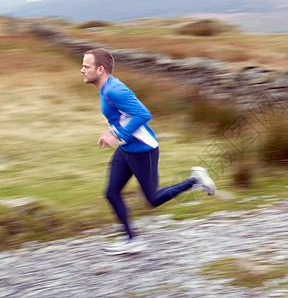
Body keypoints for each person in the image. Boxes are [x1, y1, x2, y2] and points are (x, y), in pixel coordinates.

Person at [81, 48, 216, 254]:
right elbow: (124, 116)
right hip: (127, 149)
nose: (81, 70)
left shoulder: (114, 90)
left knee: (152, 199)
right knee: (111, 192)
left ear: (100, 70)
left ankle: (195, 180)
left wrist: (116, 136)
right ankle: (131, 240)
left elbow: (143, 114)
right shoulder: (106, 89)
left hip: (143, 150)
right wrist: (112, 134)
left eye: (86, 66)